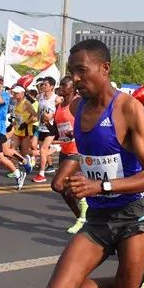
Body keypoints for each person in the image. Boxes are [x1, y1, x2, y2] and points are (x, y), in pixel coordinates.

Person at [46, 39, 144, 288]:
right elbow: (85, 155)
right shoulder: (76, 108)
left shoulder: (127, 108)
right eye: (72, 73)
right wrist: (66, 173)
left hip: (133, 215)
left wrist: (103, 185)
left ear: (105, 68)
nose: (75, 80)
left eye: (82, 71)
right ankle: (132, 280)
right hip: (98, 218)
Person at [52, 75, 87, 233]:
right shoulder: (59, 106)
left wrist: (76, 132)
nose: (61, 87)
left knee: (57, 184)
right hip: (65, 150)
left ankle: (85, 203)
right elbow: (57, 133)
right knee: (65, 190)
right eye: (60, 84)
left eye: (64, 85)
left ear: (73, 88)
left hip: (77, 151)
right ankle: (81, 216)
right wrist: (47, 123)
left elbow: (88, 122)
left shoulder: (78, 102)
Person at [33, 76, 59, 183]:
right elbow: (39, 111)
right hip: (41, 126)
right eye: (42, 84)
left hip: (51, 128)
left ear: (52, 87)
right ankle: (55, 148)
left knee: (43, 150)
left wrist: (52, 115)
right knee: (34, 146)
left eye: (45, 84)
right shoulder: (40, 97)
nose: (43, 86)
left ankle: (41, 174)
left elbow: (61, 111)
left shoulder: (56, 98)